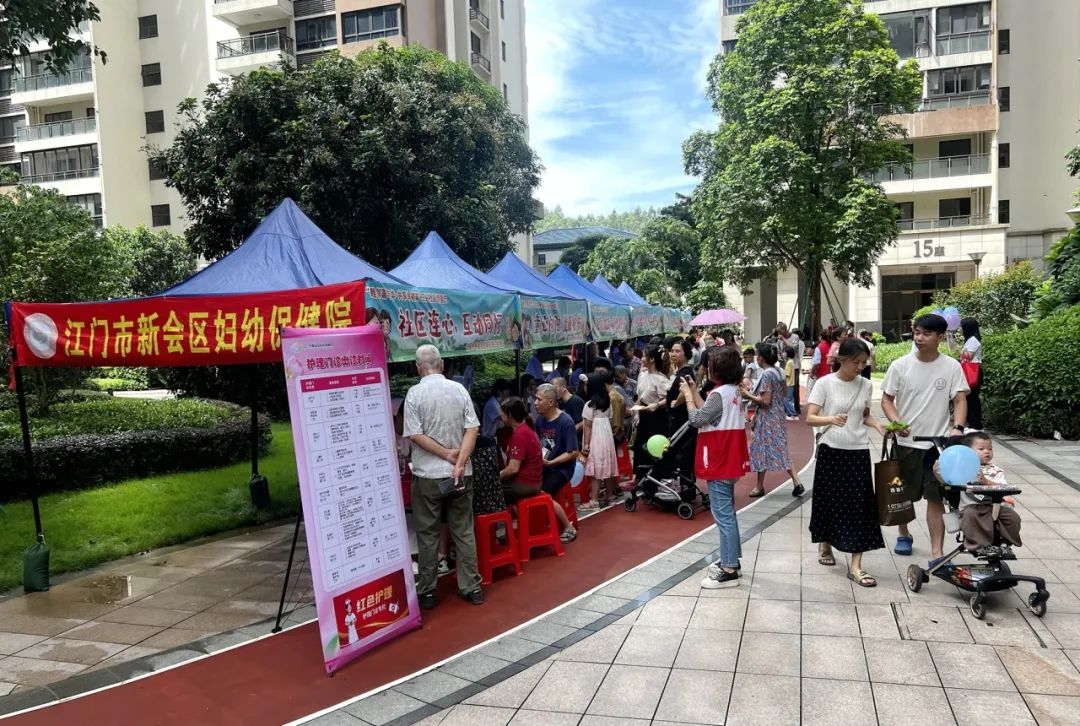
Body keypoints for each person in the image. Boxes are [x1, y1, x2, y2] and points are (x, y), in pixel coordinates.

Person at [882, 313, 969, 565]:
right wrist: (897, 422)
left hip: (936, 446)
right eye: (917, 332)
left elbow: (959, 399)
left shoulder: (951, 366)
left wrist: (958, 428)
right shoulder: (900, 365)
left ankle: (936, 552)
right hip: (906, 444)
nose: (919, 338)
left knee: (935, 497)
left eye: (926, 334)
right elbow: (887, 399)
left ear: (940, 337)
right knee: (903, 495)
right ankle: (904, 533)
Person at [403, 345, 484, 609]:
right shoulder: (459, 390)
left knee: (428, 534)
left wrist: (445, 454)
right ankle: (471, 587)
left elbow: (415, 434)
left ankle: (428, 590)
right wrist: (459, 462)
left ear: (418, 368)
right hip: (461, 474)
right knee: (463, 530)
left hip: (428, 476)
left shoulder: (414, 394)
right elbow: (472, 428)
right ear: (442, 364)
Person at [805, 338, 886, 587]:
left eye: (864, 363)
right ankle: (826, 543)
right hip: (831, 450)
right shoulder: (825, 383)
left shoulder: (865, 385)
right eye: (855, 362)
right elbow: (810, 418)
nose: (860, 367)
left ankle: (856, 566)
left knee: (861, 506)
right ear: (842, 360)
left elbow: (864, 415)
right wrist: (831, 419)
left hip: (858, 451)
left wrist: (879, 426)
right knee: (829, 501)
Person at [681, 346, 749, 588]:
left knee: (723, 515)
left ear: (717, 369)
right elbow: (710, 412)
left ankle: (728, 568)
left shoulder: (719, 394)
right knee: (728, 512)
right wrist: (693, 391)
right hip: (730, 458)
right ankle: (732, 561)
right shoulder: (732, 392)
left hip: (719, 458)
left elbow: (697, 419)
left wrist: (688, 397)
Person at [742, 343, 805, 498]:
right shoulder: (779, 371)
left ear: (761, 358)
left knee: (761, 450)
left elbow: (765, 401)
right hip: (778, 415)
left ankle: (759, 486)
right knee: (780, 448)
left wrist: (747, 394)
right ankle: (796, 481)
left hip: (767, 417)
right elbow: (784, 392)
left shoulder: (766, 375)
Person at [948, 432, 1021, 552]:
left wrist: (987, 482)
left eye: (990, 449)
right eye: (981, 449)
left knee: (1012, 517)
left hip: (994, 506)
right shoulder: (962, 469)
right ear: (968, 453)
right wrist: (937, 473)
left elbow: (1003, 487)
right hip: (971, 506)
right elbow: (947, 481)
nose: (987, 452)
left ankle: (1005, 543)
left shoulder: (996, 470)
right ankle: (979, 545)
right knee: (971, 516)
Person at [533, 384, 579, 542]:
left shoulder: (566, 422)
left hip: (562, 469)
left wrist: (552, 462)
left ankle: (568, 527)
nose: (535, 403)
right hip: (545, 465)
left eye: (539, 399)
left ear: (551, 402)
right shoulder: (540, 420)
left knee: (542, 492)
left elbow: (573, 452)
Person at [581, 372, 618, 508]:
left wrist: (586, 444)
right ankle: (610, 496)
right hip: (607, 437)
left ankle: (594, 500)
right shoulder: (607, 403)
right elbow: (610, 419)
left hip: (595, 437)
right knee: (607, 466)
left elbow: (588, 426)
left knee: (595, 468)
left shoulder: (589, 405)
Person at [498, 397, 545, 503]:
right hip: (534, 482)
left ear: (510, 415)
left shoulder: (519, 435)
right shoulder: (526, 428)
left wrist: (496, 477)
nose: (500, 416)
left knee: (490, 489)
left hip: (526, 484)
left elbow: (513, 469)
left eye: (502, 414)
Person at [632, 344, 672, 465]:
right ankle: (640, 473)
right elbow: (639, 397)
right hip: (643, 415)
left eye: (644, 356)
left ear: (652, 359)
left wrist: (657, 405)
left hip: (656, 418)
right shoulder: (642, 375)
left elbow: (668, 399)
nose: (641, 358)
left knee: (653, 448)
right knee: (640, 447)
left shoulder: (661, 379)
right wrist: (636, 414)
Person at [665, 338, 698, 477]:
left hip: (682, 417)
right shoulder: (680, 371)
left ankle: (686, 484)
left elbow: (686, 391)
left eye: (677, 351)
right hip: (677, 417)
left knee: (683, 451)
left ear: (686, 354)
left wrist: (675, 403)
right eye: (672, 351)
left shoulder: (686, 372)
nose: (673, 354)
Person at [952, 317, 984, 429]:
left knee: (972, 398)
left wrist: (960, 352)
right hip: (971, 371)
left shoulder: (973, 340)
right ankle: (972, 423)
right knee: (970, 398)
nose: (960, 329)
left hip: (973, 372)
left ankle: (976, 424)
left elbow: (968, 356)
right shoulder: (970, 340)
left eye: (962, 327)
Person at [788, 327, 805, 414]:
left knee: (792, 386)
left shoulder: (797, 343)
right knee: (796, 386)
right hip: (797, 364)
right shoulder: (801, 343)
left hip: (793, 364)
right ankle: (796, 406)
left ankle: (793, 407)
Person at [783, 346, 798, 421]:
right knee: (790, 400)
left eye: (784, 352)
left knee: (786, 400)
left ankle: (793, 414)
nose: (783, 353)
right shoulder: (791, 361)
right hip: (791, 383)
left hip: (788, 383)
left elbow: (787, 374)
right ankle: (791, 414)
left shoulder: (789, 363)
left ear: (787, 353)